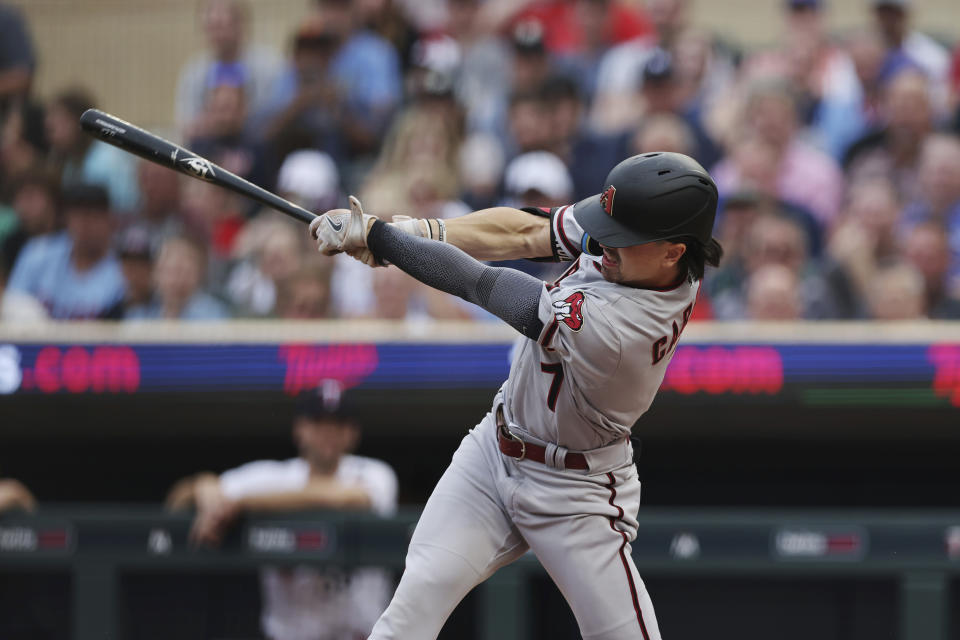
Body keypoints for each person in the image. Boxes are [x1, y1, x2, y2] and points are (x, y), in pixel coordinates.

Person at [309, 152, 723, 639]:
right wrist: (419, 232)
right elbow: (527, 232)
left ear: (674, 251)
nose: (606, 243)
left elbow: (482, 284)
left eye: (623, 238)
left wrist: (385, 240)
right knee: (409, 612)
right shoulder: (648, 252)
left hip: (577, 491)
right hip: (494, 452)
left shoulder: (622, 330)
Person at [166, 383, 398, 640]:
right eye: (318, 422)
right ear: (300, 429)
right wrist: (208, 493)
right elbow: (179, 496)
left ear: (353, 433)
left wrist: (244, 503)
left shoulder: (374, 473)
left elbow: (343, 498)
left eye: (339, 424)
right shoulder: (276, 476)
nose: (328, 432)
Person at [7, 184, 124, 319]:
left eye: (93, 215)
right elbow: (12, 304)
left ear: (109, 219)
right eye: (78, 215)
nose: (85, 224)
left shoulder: (123, 270)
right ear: (67, 218)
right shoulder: (37, 253)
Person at [125, 235, 228, 321]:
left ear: (198, 275)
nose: (177, 279)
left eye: (184, 271)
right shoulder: (139, 316)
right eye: (170, 271)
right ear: (156, 274)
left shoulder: (214, 315)